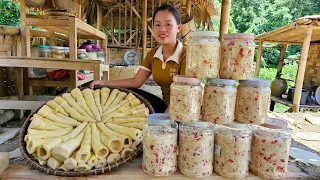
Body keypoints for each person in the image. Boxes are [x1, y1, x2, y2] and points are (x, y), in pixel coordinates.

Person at [90, 4, 186, 113]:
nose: (162, 29)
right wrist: (104, 83)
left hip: (185, 109)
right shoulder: (153, 54)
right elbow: (136, 81)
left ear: (178, 28)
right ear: (153, 27)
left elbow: (184, 94)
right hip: (166, 106)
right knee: (127, 92)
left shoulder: (186, 54)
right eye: (158, 25)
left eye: (168, 24)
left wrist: (164, 120)